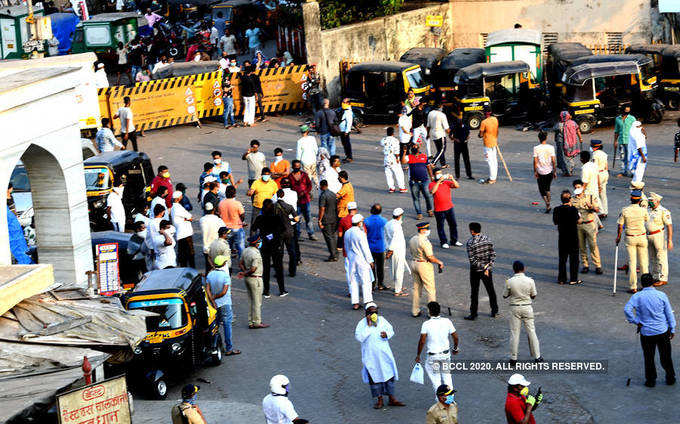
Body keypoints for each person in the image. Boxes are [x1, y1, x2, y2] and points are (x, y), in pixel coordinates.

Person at [624, 273, 676, 387]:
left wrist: (636, 321)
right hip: (662, 331)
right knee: (666, 356)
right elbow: (668, 313)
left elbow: (627, 309)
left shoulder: (637, 296)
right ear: (653, 282)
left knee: (649, 357)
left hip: (646, 332)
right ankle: (670, 377)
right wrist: (672, 328)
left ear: (642, 284)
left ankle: (651, 380)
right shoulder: (661, 295)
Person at [355, 302, 405, 409]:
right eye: (371, 312)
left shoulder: (382, 320)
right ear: (366, 313)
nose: (374, 314)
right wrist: (368, 326)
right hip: (371, 356)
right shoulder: (361, 324)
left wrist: (386, 334)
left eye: (375, 312)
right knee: (374, 377)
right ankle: (380, 399)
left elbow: (391, 330)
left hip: (384, 354)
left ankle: (392, 398)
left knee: (389, 375)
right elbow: (359, 338)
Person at [504, 261, 542, 365]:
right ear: (523, 269)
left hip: (514, 308)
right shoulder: (530, 281)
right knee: (531, 332)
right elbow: (533, 296)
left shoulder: (509, 281)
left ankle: (513, 358)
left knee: (514, 333)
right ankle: (537, 356)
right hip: (527, 308)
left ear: (513, 269)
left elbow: (505, 295)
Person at [416, 301, 458, 391]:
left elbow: (422, 341)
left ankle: (440, 401)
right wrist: (455, 348)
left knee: (436, 380)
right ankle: (450, 400)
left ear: (430, 312)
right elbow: (455, 337)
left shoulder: (426, 324)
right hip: (445, 355)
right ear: (439, 311)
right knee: (447, 377)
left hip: (434, 356)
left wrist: (418, 355)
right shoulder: (447, 321)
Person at [616, 189, 650, 293]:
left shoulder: (625, 210)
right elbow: (646, 220)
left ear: (631, 199)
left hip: (630, 237)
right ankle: (646, 286)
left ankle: (633, 286)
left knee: (632, 263)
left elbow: (620, 226)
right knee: (644, 262)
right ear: (639, 200)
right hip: (641, 237)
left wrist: (618, 237)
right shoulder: (643, 210)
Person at [253, 199, 287, 298]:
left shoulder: (260, 218)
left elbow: (254, 228)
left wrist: (265, 235)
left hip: (265, 245)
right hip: (276, 245)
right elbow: (283, 229)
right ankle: (282, 290)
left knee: (266, 268)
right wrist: (273, 235)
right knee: (278, 268)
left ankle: (266, 291)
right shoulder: (277, 218)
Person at [207, 255, 240, 356]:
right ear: (224, 264)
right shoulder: (225, 276)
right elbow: (224, 292)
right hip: (225, 304)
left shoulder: (210, 275)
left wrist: (212, 299)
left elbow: (207, 289)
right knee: (227, 325)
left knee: (215, 326)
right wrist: (216, 297)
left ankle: (215, 345)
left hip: (214, 305)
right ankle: (229, 348)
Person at [465, 222, 498, 320]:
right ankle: (494, 311)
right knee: (490, 290)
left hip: (475, 271)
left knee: (474, 292)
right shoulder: (487, 239)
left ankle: (473, 313)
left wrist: (483, 267)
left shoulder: (470, 243)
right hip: (487, 270)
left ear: (472, 231)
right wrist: (487, 267)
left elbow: (473, 260)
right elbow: (493, 254)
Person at [410, 223, 444, 317]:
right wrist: (439, 262)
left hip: (414, 263)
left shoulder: (413, 239)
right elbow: (430, 257)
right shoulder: (425, 241)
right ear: (423, 230)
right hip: (424, 264)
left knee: (417, 288)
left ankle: (415, 310)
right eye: (427, 229)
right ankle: (432, 313)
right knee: (430, 289)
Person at [237, 234, 269, 329]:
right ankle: (257, 322)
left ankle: (251, 321)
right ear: (256, 243)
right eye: (259, 242)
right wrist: (246, 273)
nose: (260, 244)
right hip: (256, 279)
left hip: (248, 279)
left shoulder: (245, 250)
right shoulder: (256, 254)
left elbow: (240, 263)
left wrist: (244, 272)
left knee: (251, 300)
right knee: (257, 302)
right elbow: (253, 268)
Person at [572, 180, 602, 275]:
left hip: (589, 224)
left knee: (593, 245)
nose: (577, 189)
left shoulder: (590, 197)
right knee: (581, 246)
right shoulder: (572, 200)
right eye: (576, 187)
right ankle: (585, 265)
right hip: (578, 225)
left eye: (579, 187)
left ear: (583, 188)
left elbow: (597, 209)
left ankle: (598, 265)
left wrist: (591, 207)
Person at [553, 190, 580, 285]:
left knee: (562, 258)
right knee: (574, 258)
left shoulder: (557, 209)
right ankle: (573, 279)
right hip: (573, 236)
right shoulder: (574, 209)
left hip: (562, 236)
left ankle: (561, 278)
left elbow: (555, 222)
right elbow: (578, 220)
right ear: (570, 199)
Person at [429, 169, 461, 248]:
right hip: (439, 210)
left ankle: (454, 240)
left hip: (449, 207)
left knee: (453, 225)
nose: (439, 175)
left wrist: (452, 179)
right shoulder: (432, 184)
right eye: (437, 174)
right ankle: (443, 242)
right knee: (441, 227)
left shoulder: (446, 182)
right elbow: (432, 191)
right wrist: (438, 182)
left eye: (440, 173)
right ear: (434, 175)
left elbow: (457, 186)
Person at [647, 193, 673, 286]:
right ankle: (655, 276)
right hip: (649, 235)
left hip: (659, 235)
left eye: (652, 200)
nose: (650, 202)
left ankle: (663, 278)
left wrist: (670, 240)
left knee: (661, 257)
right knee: (652, 257)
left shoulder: (663, 211)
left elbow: (669, 226)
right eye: (649, 200)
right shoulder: (648, 210)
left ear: (657, 201)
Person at [275, 188, 300, 277]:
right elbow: (296, 219)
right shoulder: (289, 206)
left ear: (276, 195)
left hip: (278, 232)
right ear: (283, 196)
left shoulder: (273, 206)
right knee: (291, 252)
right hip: (289, 230)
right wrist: (289, 219)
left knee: (278, 253)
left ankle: (278, 272)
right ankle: (292, 271)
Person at [404, 143, 433, 219]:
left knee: (428, 196)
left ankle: (429, 210)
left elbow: (428, 167)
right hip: (414, 182)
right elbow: (403, 161)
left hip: (425, 181)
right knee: (416, 198)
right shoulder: (409, 157)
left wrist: (432, 177)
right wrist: (404, 152)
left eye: (416, 146)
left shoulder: (424, 156)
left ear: (418, 148)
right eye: (413, 147)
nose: (414, 147)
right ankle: (419, 213)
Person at [289, 160, 316, 241]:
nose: (297, 168)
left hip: (305, 200)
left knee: (308, 218)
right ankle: (297, 235)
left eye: (299, 167)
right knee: (297, 219)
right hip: (296, 202)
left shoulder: (304, 175)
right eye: (296, 167)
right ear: (293, 167)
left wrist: (305, 192)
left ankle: (311, 234)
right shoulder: (290, 177)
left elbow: (309, 185)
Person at [384, 208, 408, 296]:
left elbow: (385, 237)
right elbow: (395, 239)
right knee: (399, 270)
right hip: (397, 250)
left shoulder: (388, 223)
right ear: (400, 216)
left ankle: (398, 286)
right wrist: (390, 250)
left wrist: (387, 248)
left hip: (391, 249)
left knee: (393, 268)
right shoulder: (396, 226)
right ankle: (398, 290)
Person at [365, 204, 389, 291]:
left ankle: (372, 283)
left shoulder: (366, 221)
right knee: (380, 267)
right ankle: (380, 284)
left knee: (371, 267)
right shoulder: (384, 221)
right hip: (381, 246)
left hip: (370, 246)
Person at [218, 186, 246, 259]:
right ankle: (242, 265)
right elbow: (242, 215)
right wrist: (241, 221)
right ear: (234, 194)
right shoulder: (237, 203)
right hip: (237, 227)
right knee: (241, 247)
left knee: (227, 248)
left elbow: (219, 214)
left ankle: (227, 265)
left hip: (226, 229)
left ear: (226, 193)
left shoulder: (221, 203)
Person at [533, 130, 556, 213]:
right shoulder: (551, 147)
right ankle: (549, 202)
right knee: (548, 188)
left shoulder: (536, 148)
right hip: (549, 171)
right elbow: (553, 160)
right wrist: (554, 171)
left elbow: (535, 161)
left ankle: (547, 204)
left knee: (541, 189)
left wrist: (535, 171)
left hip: (540, 171)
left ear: (539, 138)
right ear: (546, 138)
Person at [171, 191, 195, 268]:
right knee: (189, 254)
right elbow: (189, 216)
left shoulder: (173, 208)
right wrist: (186, 219)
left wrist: (186, 219)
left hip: (180, 233)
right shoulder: (178, 207)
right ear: (178, 198)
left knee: (182, 254)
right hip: (185, 233)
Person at [200, 202, 226, 273]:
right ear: (213, 210)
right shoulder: (217, 219)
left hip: (206, 248)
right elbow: (224, 227)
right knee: (219, 266)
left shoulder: (202, 220)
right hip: (216, 246)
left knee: (208, 268)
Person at [380, 127, 406, 193]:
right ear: (393, 133)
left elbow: (382, 144)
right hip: (393, 157)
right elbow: (397, 151)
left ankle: (391, 188)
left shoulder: (383, 140)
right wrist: (397, 159)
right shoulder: (395, 140)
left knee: (388, 173)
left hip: (386, 158)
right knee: (398, 173)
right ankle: (401, 187)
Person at [318, 179, 339, 262]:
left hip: (326, 219)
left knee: (328, 237)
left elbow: (322, 209)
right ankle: (335, 253)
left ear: (321, 186)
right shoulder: (333, 194)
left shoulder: (323, 196)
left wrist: (319, 220)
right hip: (334, 218)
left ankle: (333, 255)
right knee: (333, 236)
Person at [614, 105, 636, 177]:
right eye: (625, 112)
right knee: (623, 157)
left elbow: (636, 129)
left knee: (631, 157)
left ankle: (633, 172)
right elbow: (616, 131)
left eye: (628, 112)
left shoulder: (632, 118)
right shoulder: (617, 119)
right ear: (622, 111)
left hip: (630, 141)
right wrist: (615, 141)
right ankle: (624, 171)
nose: (627, 114)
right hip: (621, 141)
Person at [451, 107, 472, 180]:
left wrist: (467, 139)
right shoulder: (454, 126)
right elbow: (450, 135)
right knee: (457, 160)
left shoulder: (465, 126)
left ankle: (469, 175)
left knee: (466, 159)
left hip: (464, 144)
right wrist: (455, 139)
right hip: (457, 144)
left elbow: (469, 134)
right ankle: (457, 176)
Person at [558, 111, 582, 176]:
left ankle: (569, 170)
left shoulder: (560, 125)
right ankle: (571, 168)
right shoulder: (573, 123)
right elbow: (578, 130)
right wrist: (580, 138)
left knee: (566, 157)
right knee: (571, 156)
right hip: (574, 143)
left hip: (566, 144)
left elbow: (555, 130)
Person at [478, 111, 499, 184]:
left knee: (490, 161)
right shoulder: (495, 119)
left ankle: (492, 178)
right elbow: (497, 131)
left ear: (486, 114)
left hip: (487, 143)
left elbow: (480, 134)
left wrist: (481, 135)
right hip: (494, 142)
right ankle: (494, 177)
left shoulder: (484, 122)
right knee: (494, 160)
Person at [427, 102, 450, 167]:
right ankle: (433, 162)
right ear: (440, 107)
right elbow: (446, 128)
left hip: (433, 134)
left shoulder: (430, 113)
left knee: (439, 150)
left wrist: (428, 134)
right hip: (440, 134)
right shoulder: (442, 115)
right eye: (442, 106)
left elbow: (428, 125)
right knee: (442, 150)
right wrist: (451, 135)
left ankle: (443, 163)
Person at [590, 139, 609, 218]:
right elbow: (606, 166)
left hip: (599, 174)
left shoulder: (595, 155)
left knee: (596, 193)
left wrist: (597, 183)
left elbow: (595, 169)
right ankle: (605, 210)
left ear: (594, 147)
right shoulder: (604, 154)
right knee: (603, 194)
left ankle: (601, 211)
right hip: (605, 173)